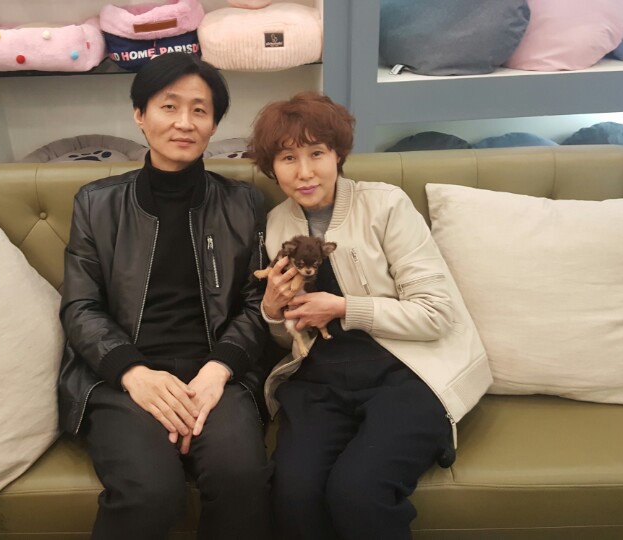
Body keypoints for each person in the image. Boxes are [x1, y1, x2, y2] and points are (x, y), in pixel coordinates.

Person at [250, 92, 492, 540]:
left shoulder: (386, 205)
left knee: (357, 492)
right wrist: (271, 311)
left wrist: (344, 307)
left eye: (317, 153)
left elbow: (435, 314)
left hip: (406, 372)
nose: (304, 172)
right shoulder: (276, 225)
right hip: (321, 381)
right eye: (288, 158)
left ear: (338, 154)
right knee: (293, 493)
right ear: (272, 167)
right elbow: (290, 338)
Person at [57, 52, 271, 540]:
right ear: (140, 114)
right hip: (125, 374)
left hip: (215, 373)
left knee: (241, 479)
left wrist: (219, 369)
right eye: (169, 107)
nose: (184, 123)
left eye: (200, 110)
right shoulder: (96, 203)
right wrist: (133, 372)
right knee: (151, 492)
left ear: (214, 124)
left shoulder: (243, 203)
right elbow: (80, 307)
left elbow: (257, 303)